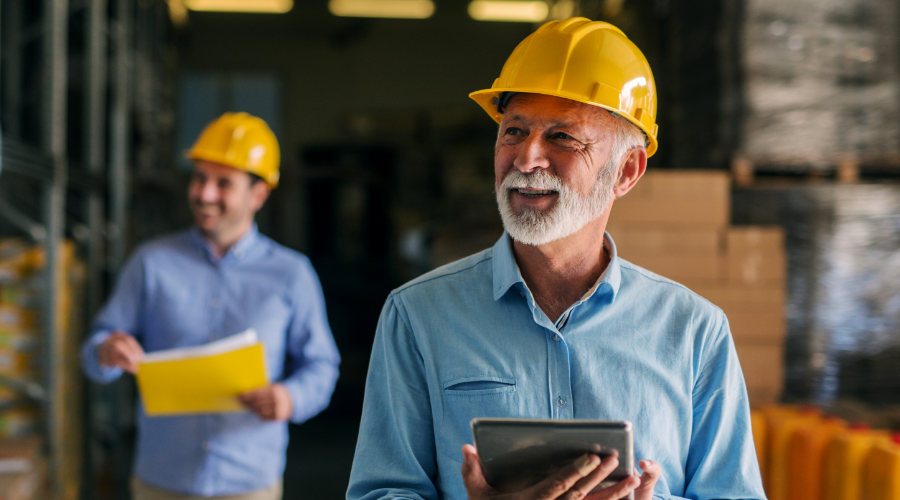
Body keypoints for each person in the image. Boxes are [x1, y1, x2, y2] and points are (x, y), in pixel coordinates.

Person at [347, 18, 765, 500]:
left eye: (562, 138)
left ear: (626, 171)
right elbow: (380, 492)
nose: (526, 159)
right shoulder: (418, 317)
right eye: (514, 131)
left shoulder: (694, 332)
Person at [81, 112, 340, 500]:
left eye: (223, 183)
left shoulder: (292, 274)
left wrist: (291, 397)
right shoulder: (151, 262)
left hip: (249, 483)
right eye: (199, 178)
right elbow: (92, 350)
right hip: (161, 480)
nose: (204, 194)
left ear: (259, 194)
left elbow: (322, 365)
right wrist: (105, 350)